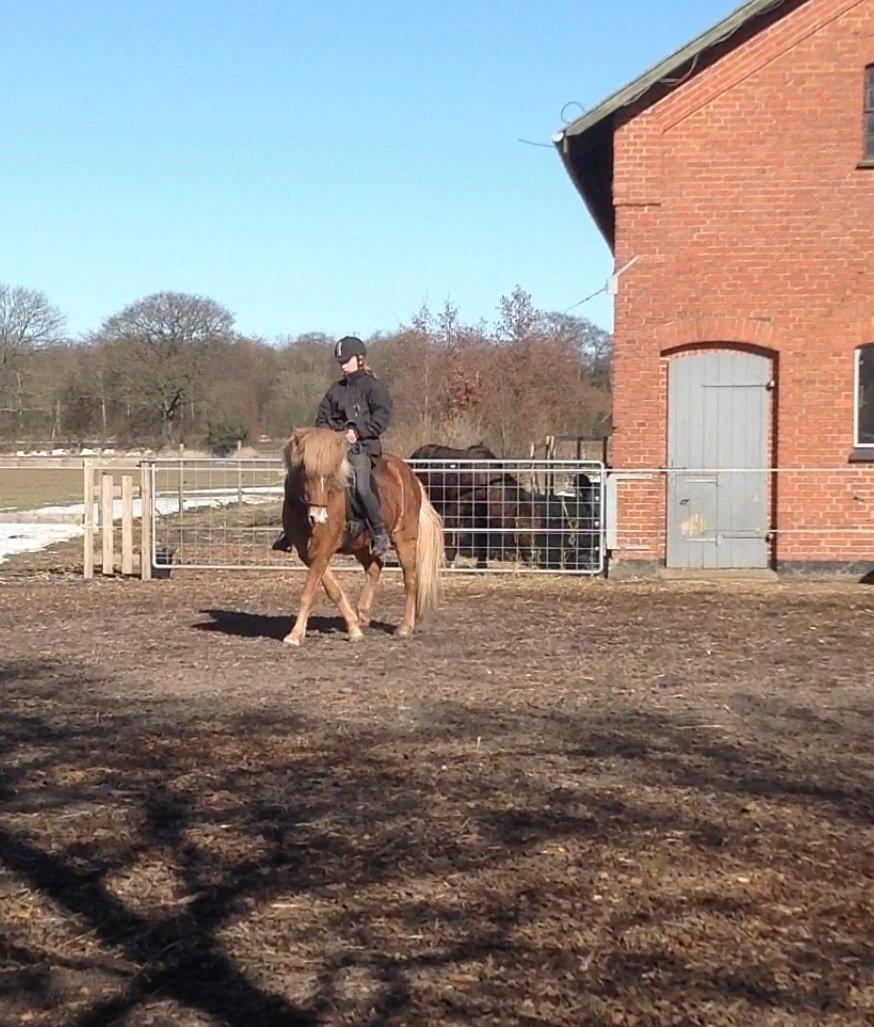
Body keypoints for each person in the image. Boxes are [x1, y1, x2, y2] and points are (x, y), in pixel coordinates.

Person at [274, 335, 393, 558]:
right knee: (298, 476)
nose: (343, 366)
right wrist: (326, 437)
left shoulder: (373, 387)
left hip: (363, 447)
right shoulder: (335, 390)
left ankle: (379, 533)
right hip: (334, 448)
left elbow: (382, 416)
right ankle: (290, 530)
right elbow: (322, 418)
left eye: (346, 361)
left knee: (361, 486)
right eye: (340, 362)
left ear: (360, 359)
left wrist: (357, 432)